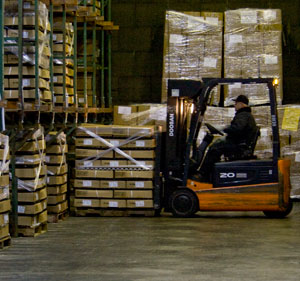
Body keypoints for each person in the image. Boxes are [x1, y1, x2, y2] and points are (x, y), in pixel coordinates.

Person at [198, 94, 258, 181]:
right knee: (219, 143)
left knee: (215, 148)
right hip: (239, 144)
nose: (234, 105)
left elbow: (237, 128)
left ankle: (203, 174)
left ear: (241, 104)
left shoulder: (244, 115)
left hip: (239, 147)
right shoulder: (245, 115)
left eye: (236, 103)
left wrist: (224, 128)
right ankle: (210, 174)